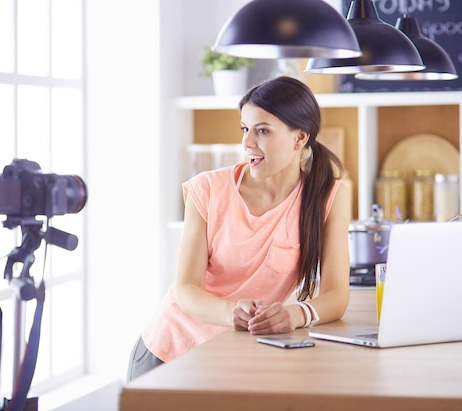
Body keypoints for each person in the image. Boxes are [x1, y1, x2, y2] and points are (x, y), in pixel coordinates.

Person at [127, 76, 351, 381]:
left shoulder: (328, 197)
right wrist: (229, 312)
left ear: (300, 139)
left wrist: (297, 313)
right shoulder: (206, 189)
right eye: (245, 129)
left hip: (235, 359)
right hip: (169, 356)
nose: (247, 143)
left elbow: (337, 295)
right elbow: (187, 289)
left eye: (262, 130)